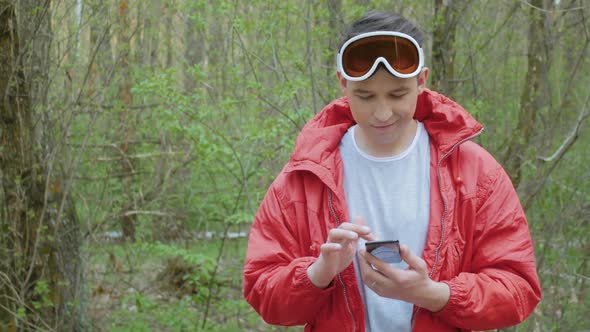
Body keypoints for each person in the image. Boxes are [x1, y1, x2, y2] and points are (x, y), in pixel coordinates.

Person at [243, 10, 541, 332]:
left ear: (421, 81)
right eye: (365, 96)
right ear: (343, 84)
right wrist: (319, 273)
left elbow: (518, 288)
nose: (382, 113)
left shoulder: (474, 172)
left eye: (397, 94)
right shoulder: (305, 176)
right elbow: (264, 292)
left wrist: (433, 295)